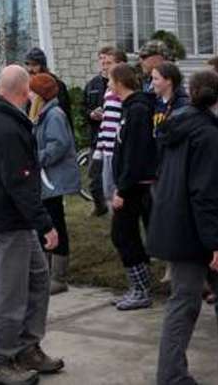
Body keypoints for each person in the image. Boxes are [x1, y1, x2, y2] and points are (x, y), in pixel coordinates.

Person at [0, 65, 63, 385]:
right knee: (10, 294)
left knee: (37, 280)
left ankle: (27, 347)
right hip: (5, 223)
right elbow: (19, 180)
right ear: (25, 93)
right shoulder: (5, 127)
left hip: (14, 220)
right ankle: (0, 361)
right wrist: (45, 224)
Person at [148, 70, 218, 385]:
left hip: (177, 226)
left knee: (186, 303)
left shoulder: (176, 126)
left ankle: (171, 373)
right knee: (184, 305)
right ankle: (171, 375)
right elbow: (206, 192)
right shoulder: (208, 134)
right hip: (196, 234)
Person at [109, 63, 157, 311]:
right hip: (129, 183)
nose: (108, 85)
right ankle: (138, 286)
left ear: (119, 82)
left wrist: (122, 189)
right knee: (125, 235)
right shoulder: (128, 109)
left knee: (122, 234)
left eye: (110, 80)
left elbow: (135, 155)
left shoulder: (137, 110)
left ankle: (141, 290)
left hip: (134, 185)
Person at [29, 73, 81, 295]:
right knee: (47, 223)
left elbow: (58, 145)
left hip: (52, 179)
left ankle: (59, 277)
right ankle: (48, 272)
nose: (28, 95)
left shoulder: (54, 115)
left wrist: (35, 158)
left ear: (40, 95)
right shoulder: (43, 113)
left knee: (55, 223)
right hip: (46, 179)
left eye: (32, 91)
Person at [93, 49, 128, 205]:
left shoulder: (123, 88)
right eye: (104, 63)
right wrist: (99, 149)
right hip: (106, 148)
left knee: (116, 190)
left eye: (109, 63)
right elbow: (105, 122)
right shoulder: (109, 89)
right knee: (107, 189)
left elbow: (122, 121)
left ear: (120, 65)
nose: (105, 66)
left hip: (116, 149)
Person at [83, 46, 115, 217]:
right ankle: (99, 205)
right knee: (94, 175)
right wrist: (91, 114)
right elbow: (84, 107)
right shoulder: (92, 84)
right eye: (102, 59)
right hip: (96, 137)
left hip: (113, 139)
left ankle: (115, 206)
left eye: (108, 60)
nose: (104, 63)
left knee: (113, 176)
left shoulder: (120, 82)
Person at [23, 47, 73, 129]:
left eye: (34, 65)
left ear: (42, 66)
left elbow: (63, 113)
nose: (30, 69)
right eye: (27, 64)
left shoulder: (55, 85)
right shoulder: (29, 86)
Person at [152, 62, 189, 142]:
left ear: (169, 81)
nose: (152, 83)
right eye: (152, 78)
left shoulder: (182, 105)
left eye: (156, 79)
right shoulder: (156, 103)